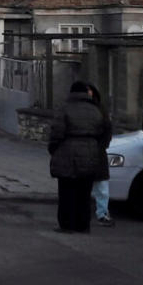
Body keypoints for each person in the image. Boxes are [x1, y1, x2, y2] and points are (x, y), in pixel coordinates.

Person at [49, 81, 111, 233]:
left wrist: (53, 149)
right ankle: (83, 225)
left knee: (66, 191)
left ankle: (67, 224)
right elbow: (105, 130)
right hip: (90, 152)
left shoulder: (65, 108)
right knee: (84, 192)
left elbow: (56, 132)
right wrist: (98, 147)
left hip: (67, 152)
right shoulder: (96, 109)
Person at [88, 84, 115, 227]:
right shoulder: (98, 110)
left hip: (97, 152)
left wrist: (103, 144)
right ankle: (100, 213)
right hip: (90, 151)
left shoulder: (100, 110)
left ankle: (102, 212)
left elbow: (107, 129)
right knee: (97, 186)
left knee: (102, 187)